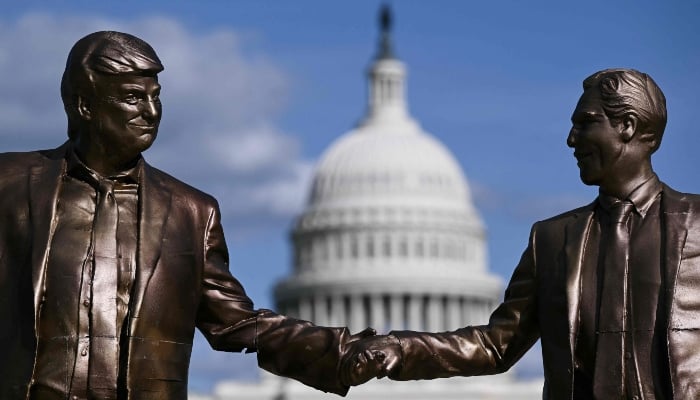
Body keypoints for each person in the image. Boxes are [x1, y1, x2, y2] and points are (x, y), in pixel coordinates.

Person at [0, 31, 373, 399]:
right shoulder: (10, 185)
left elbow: (237, 324)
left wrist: (355, 353)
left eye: (155, 97)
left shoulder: (191, 213)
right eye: (133, 97)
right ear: (85, 105)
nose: (151, 112)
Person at [342, 68, 700, 399]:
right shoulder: (552, 240)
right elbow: (497, 345)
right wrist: (400, 347)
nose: (570, 139)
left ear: (627, 125)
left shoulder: (695, 223)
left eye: (586, 123)